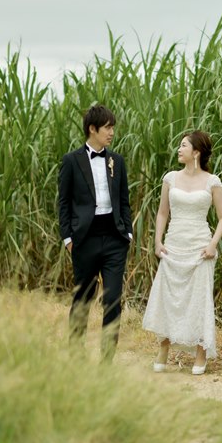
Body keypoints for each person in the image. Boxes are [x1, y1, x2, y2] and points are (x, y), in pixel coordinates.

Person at [142, 130, 222, 374]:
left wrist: (212, 245)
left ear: (196, 152)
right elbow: (162, 213)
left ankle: (201, 352)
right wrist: (158, 242)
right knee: (168, 297)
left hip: (200, 247)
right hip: (174, 245)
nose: (179, 150)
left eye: (183, 146)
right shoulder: (170, 178)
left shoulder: (212, 181)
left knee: (199, 299)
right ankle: (164, 347)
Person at [57, 104, 133, 362]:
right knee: (83, 299)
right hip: (84, 239)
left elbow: (124, 200)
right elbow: (63, 202)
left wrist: (128, 234)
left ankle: (107, 362)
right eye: (107, 128)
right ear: (92, 129)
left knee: (113, 299)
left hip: (114, 239)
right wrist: (68, 238)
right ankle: (76, 357)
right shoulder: (71, 161)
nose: (111, 132)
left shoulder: (117, 161)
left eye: (112, 127)